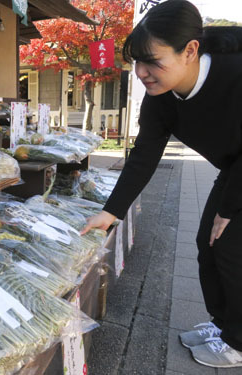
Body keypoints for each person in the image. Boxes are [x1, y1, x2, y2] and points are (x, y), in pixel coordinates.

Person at [80, 0, 242, 369]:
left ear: (190, 51)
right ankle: (224, 326)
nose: (141, 73)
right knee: (207, 244)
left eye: (152, 61)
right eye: (136, 62)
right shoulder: (161, 97)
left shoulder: (235, 75)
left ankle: (239, 342)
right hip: (233, 168)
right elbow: (144, 155)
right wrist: (110, 212)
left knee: (232, 251)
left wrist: (228, 209)